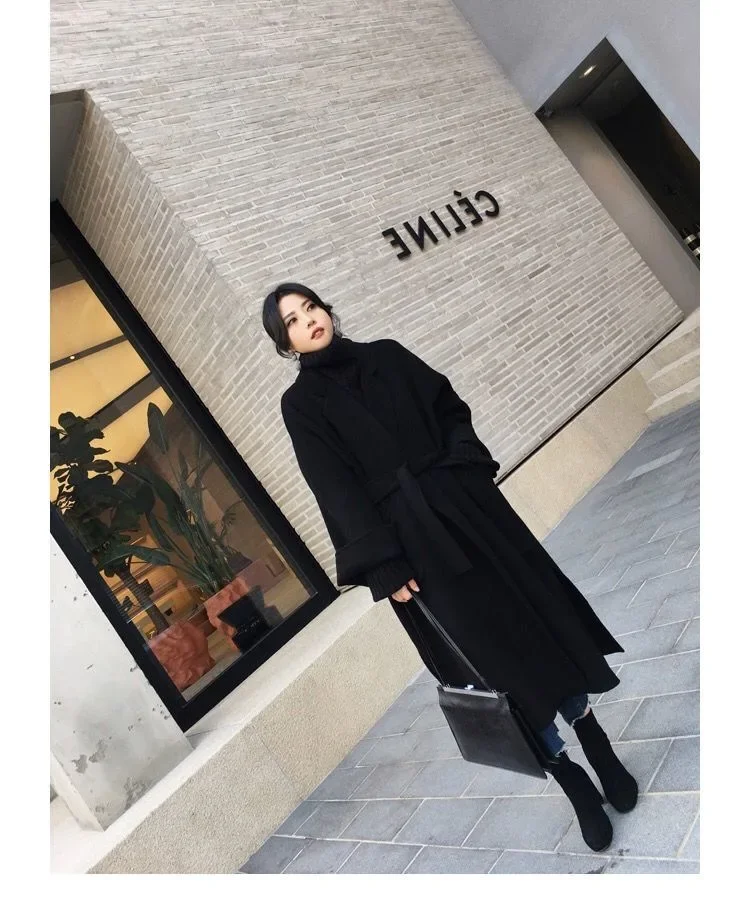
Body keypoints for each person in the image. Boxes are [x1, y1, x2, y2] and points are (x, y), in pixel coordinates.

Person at [262, 282, 638, 852]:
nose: (308, 320)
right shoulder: (301, 405)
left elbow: (449, 409)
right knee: (490, 665)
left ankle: (597, 744)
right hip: (413, 549)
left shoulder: (387, 355)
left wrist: (465, 467)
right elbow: (333, 488)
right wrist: (383, 566)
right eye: (292, 320)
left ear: (327, 310)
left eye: (310, 307)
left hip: (471, 514)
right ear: (286, 343)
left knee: (536, 625)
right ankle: (572, 780)